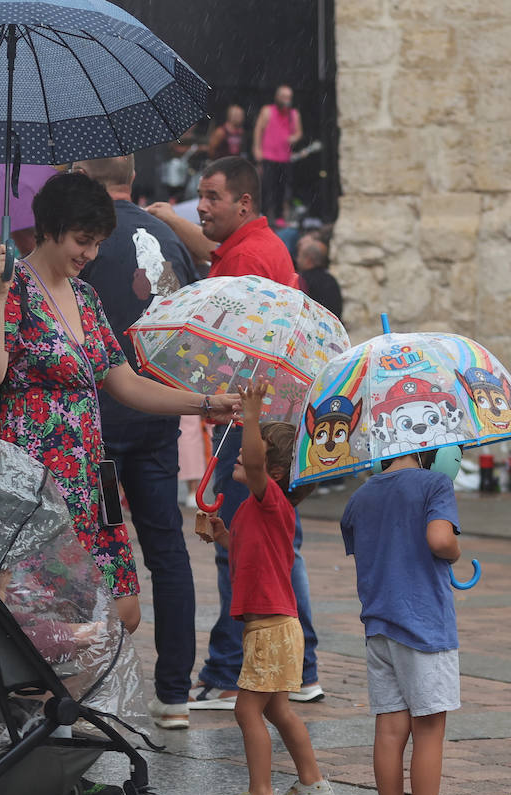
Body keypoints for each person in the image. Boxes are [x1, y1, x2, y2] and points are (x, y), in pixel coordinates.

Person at [0, 171, 238, 795]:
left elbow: (121, 380)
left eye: (95, 242)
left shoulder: (85, 298)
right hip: (30, 482)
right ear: (52, 229)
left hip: (87, 480)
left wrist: (202, 402)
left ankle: (53, 744)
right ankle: (46, 751)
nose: (88, 253)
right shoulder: (15, 289)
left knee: (119, 612)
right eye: (81, 240)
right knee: (43, 617)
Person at [150, 157, 323, 711]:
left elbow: (215, 320)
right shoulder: (257, 244)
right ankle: (302, 666)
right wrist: (166, 219)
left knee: (244, 545)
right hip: (273, 417)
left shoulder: (244, 258)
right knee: (277, 543)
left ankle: (231, 671)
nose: (200, 207)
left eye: (211, 197)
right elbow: (209, 247)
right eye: (198, 196)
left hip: (252, 421)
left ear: (242, 203)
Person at [69, 154, 200, 732]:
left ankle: (92, 683)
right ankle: (174, 691)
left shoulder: (89, 240)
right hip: (157, 414)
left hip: (100, 420)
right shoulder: (168, 236)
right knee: (166, 552)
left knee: (94, 557)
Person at [199, 383, 331, 795]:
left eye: (251, 453)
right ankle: (311, 781)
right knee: (276, 708)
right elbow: (250, 551)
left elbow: (254, 462)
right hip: (270, 627)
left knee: (246, 709)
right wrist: (221, 534)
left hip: (272, 628)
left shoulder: (271, 499)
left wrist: (252, 418)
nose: (241, 455)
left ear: (273, 473)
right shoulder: (253, 510)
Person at [340, 449, 478, 795]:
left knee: (389, 728)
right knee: (430, 728)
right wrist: (453, 550)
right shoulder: (434, 484)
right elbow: (439, 540)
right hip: (423, 624)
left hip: (379, 626)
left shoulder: (359, 497)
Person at [253, 85, 303, 226]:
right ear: (277, 97)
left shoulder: (293, 114)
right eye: (284, 97)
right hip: (268, 156)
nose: (287, 100)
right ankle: (263, 214)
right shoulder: (267, 111)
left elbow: (299, 133)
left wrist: (294, 138)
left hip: (284, 157)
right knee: (266, 187)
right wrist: (257, 149)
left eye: (289, 97)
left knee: (282, 189)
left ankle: (279, 216)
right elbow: (258, 130)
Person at [297, 232, 343, 320]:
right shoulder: (331, 279)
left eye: (300, 256)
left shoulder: (302, 280)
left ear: (308, 260)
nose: (297, 260)